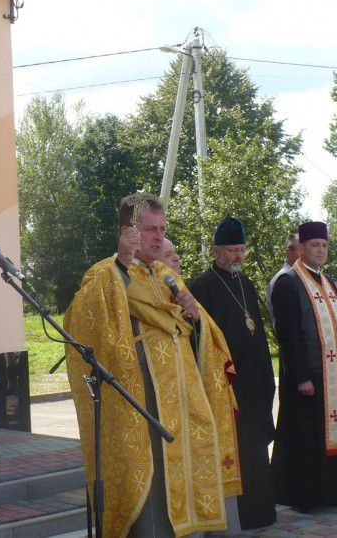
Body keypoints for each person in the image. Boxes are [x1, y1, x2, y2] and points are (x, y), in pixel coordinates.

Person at [64, 193, 241, 537]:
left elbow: (197, 333)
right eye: (149, 230)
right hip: (141, 398)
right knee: (152, 481)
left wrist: (196, 319)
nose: (159, 237)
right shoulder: (106, 273)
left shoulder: (164, 274)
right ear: (128, 231)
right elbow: (80, 321)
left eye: (162, 229)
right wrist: (121, 261)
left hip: (184, 398)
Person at [191, 217, 276, 529]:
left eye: (241, 249)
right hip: (227, 384)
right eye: (232, 250)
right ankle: (238, 516)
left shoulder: (246, 283)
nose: (238, 255)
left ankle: (261, 513)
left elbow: (257, 330)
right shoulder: (201, 286)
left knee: (254, 452)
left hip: (254, 383)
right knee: (235, 452)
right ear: (216, 251)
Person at [270, 221, 337, 512]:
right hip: (307, 375)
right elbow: (288, 336)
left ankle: (335, 492)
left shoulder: (328, 281)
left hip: (335, 375)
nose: (320, 250)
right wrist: (300, 377)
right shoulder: (288, 283)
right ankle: (306, 496)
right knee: (307, 438)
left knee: (329, 434)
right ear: (302, 249)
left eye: (324, 245)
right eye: (314, 245)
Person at [266, 232, 300, 322]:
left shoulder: (302, 276)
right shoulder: (281, 280)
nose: (306, 254)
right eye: (301, 249)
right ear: (288, 251)